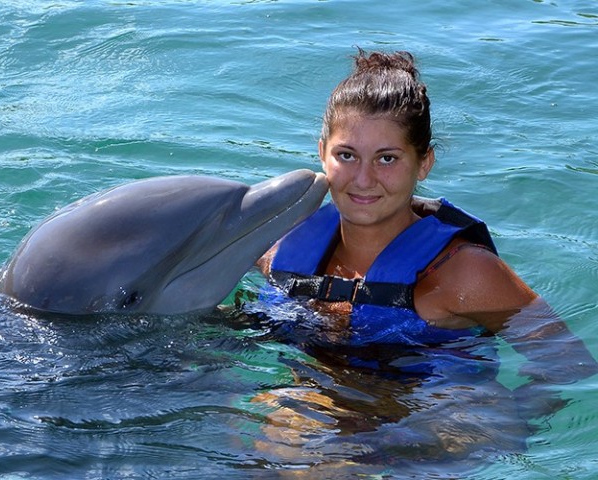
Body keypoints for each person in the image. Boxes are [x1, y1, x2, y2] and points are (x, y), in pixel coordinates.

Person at [255, 49, 596, 403]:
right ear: (322, 153)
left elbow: (568, 363)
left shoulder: (463, 275)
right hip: (312, 405)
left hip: (432, 420)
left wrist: (503, 419)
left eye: (387, 158)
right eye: (347, 155)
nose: (363, 179)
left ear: (424, 163)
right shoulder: (278, 247)